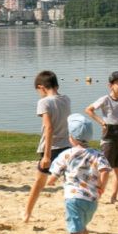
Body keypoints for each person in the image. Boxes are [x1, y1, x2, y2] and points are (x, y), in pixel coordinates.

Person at [47, 113, 111, 234]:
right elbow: (105, 170)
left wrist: (51, 181)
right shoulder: (97, 154)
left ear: (71, 137)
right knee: (84, 228)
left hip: (73, 198)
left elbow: (54, 174)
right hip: (91, 200)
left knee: (75, 232)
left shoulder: (67, 155)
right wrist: (101, 186)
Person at [24, 70, 71, 222]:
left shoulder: (44, 102)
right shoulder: (66, 99)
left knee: (39, 182)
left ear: (41, 87)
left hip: (51, 148)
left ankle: (27, 213)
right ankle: (71, 215)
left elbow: (49, 128)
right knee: (69, 183)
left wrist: (46, 155)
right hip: (67, 146)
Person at [85, 70, 118, 204]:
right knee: (105, 169)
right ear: (110, 85)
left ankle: (114, 197)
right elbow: (89, 109)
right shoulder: (105, 99)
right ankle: (97, 195)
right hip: (109, 138)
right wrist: (101, 121)